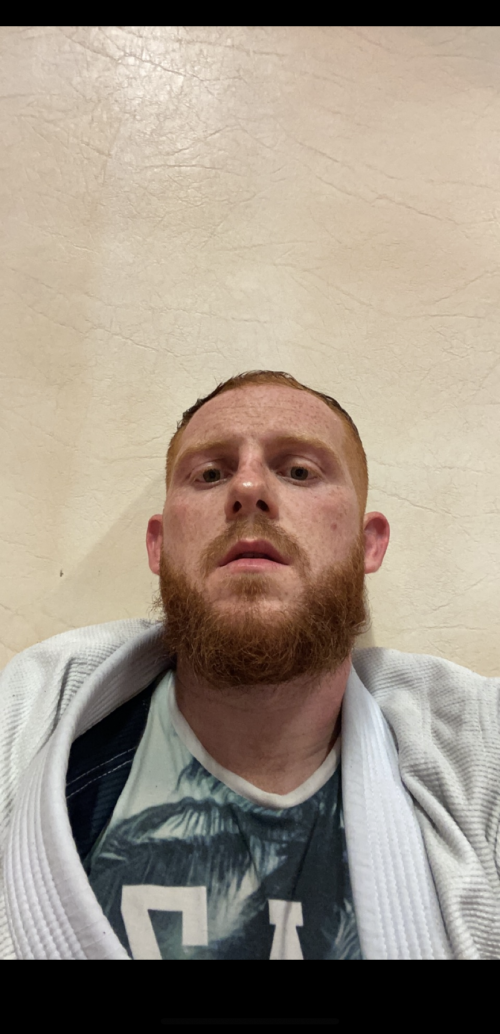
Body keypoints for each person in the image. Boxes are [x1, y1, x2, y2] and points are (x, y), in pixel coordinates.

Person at [1, 370, 499, 961]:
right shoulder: (28, 722)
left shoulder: (474, 748)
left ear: (368, 543)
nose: (247, 487)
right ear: (159, 545)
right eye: (210, 474)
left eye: (299, 471)